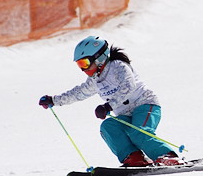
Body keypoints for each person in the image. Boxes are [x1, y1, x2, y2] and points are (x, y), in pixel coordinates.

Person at [38, 35, 182, 167]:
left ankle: (167, 156)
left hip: (144, 105)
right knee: (108, 126)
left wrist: (108, 106)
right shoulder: (95, 79)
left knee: (139, 132)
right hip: (125, 114)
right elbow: (79, 93)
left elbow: (128, 86)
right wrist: (54, 100)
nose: (83, 69)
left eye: (85, 63)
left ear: (99, 58)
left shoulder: (118, 66)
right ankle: (133, 157)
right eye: (79, 65)